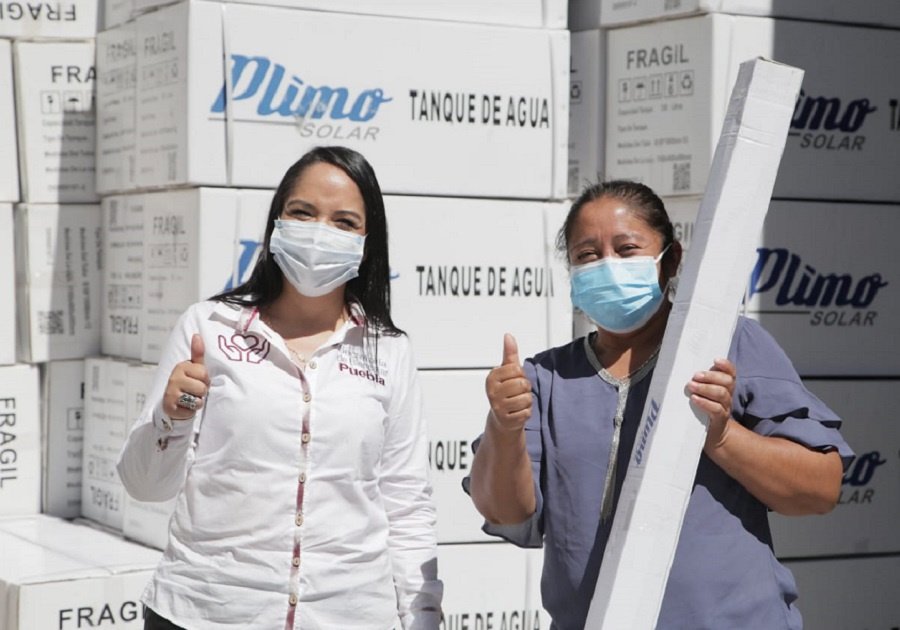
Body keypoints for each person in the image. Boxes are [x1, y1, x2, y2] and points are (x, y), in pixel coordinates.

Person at [466, 180, 852, 629]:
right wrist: (504, 426)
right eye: (587, 255)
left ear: (670, 259)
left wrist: (724, 436)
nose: (608, 266)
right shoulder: (547, 379)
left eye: (627, 249)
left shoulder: (727, 348)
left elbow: (820, 489)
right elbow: (506, 513)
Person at [118, 146, 442, 630]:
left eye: (344, 222)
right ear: (275, 225)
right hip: (207, 610)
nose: (319, 232)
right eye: (303, 213)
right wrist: (173, 417)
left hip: (349, 614)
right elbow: (145, 484)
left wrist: (422, 615)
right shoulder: (209, 328)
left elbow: (405, 500)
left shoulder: (389, 351)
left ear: (367, 242)